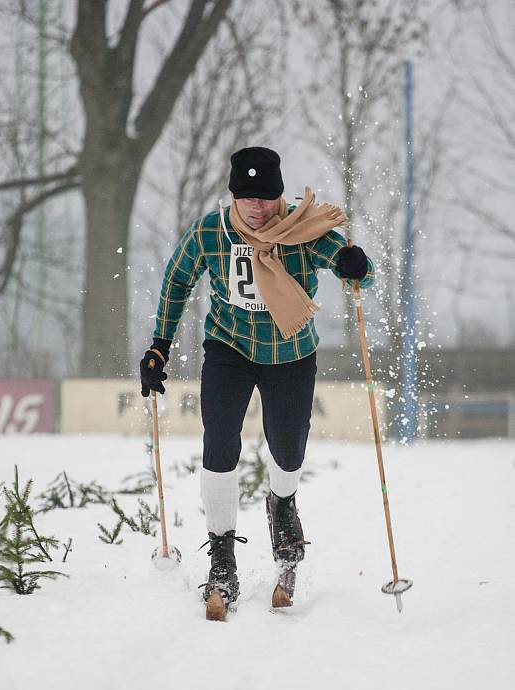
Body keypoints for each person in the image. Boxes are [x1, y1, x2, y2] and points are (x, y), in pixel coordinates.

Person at [140, 146, 375, 619]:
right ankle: (222, 557)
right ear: (232, 196)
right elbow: (176, 281)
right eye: (248, 199)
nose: (259, 209)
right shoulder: (212, 230)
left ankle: (282, 504)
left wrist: (357, 266)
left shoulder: (305, 229)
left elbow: (355, 272)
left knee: (287, 449)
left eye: (267, 199)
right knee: (220, 441)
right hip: (228, 348)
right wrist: (159, 347)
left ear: (280, 196)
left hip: (291, 352)